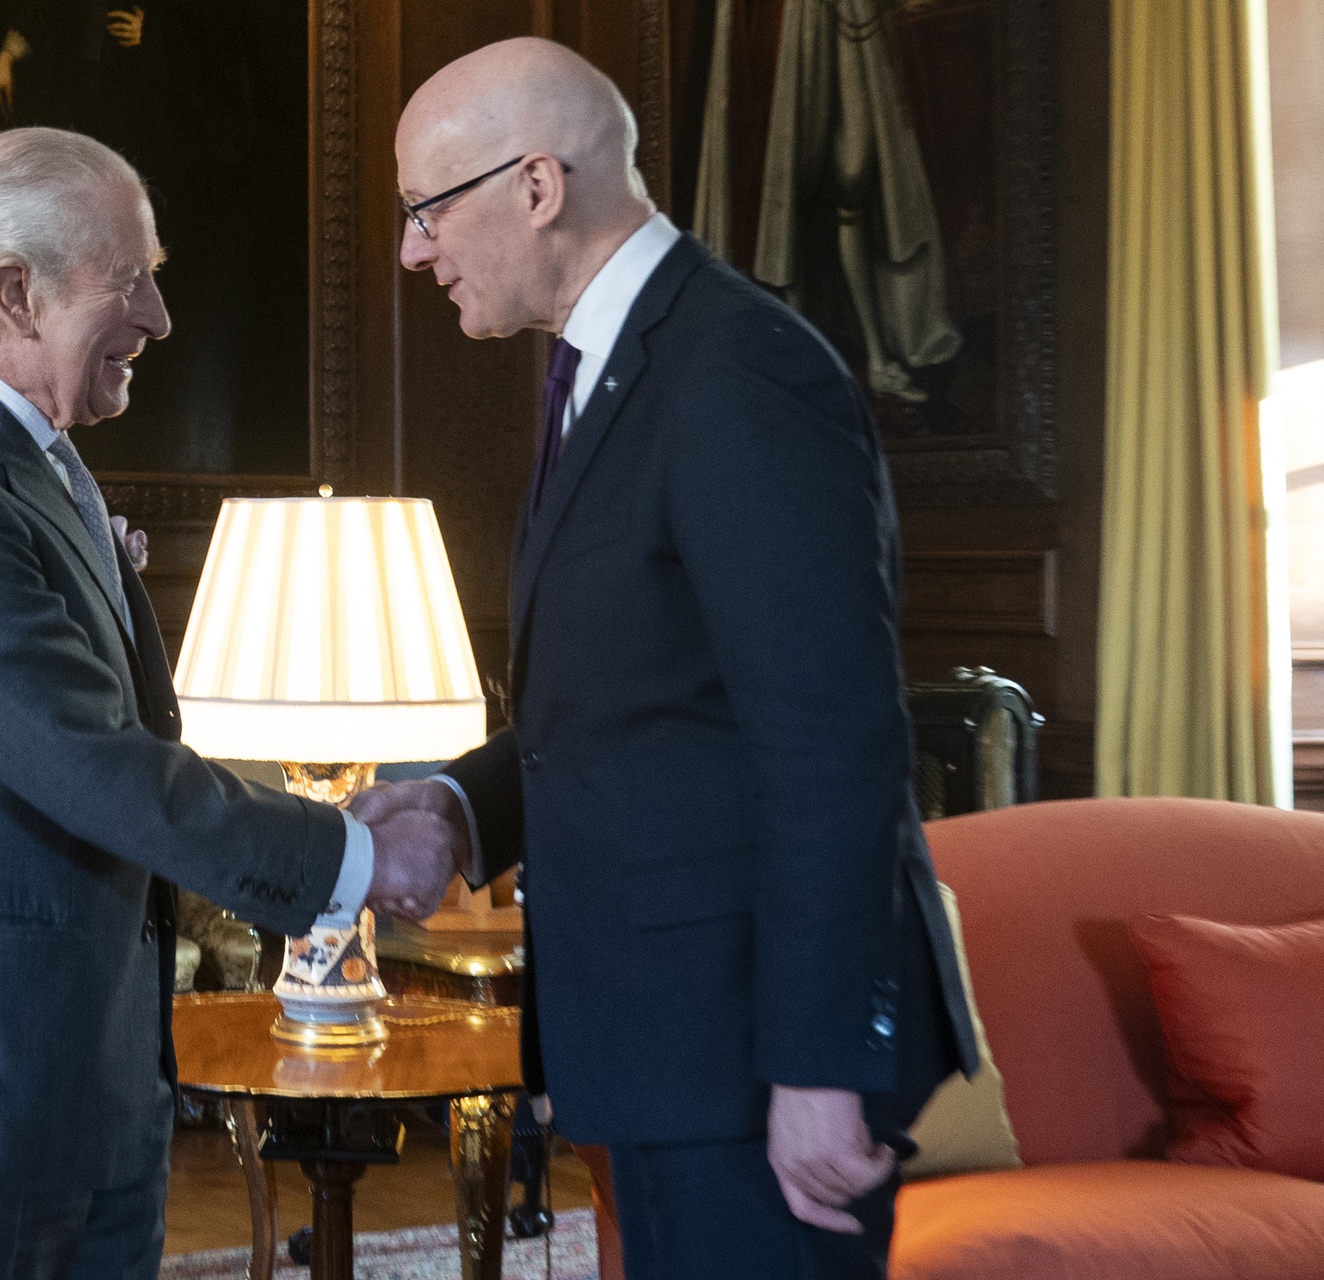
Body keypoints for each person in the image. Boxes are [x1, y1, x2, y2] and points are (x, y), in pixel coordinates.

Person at [349, 38, 980, 1278]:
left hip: (752, 1054)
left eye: (427, 209)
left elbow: (831, 739)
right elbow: (648, 700)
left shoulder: (738, 369)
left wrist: (816, 1065)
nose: (413, 250)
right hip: (668, 1038)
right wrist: (468, 803)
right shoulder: (610, 365)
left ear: (537, 187)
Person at [0, 127, 456, 1280]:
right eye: (130, 281)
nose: (160, 319)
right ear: (16, 293)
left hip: (72, 1082)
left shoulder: (23, 453)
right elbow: (91, 758)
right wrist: (351, 858)